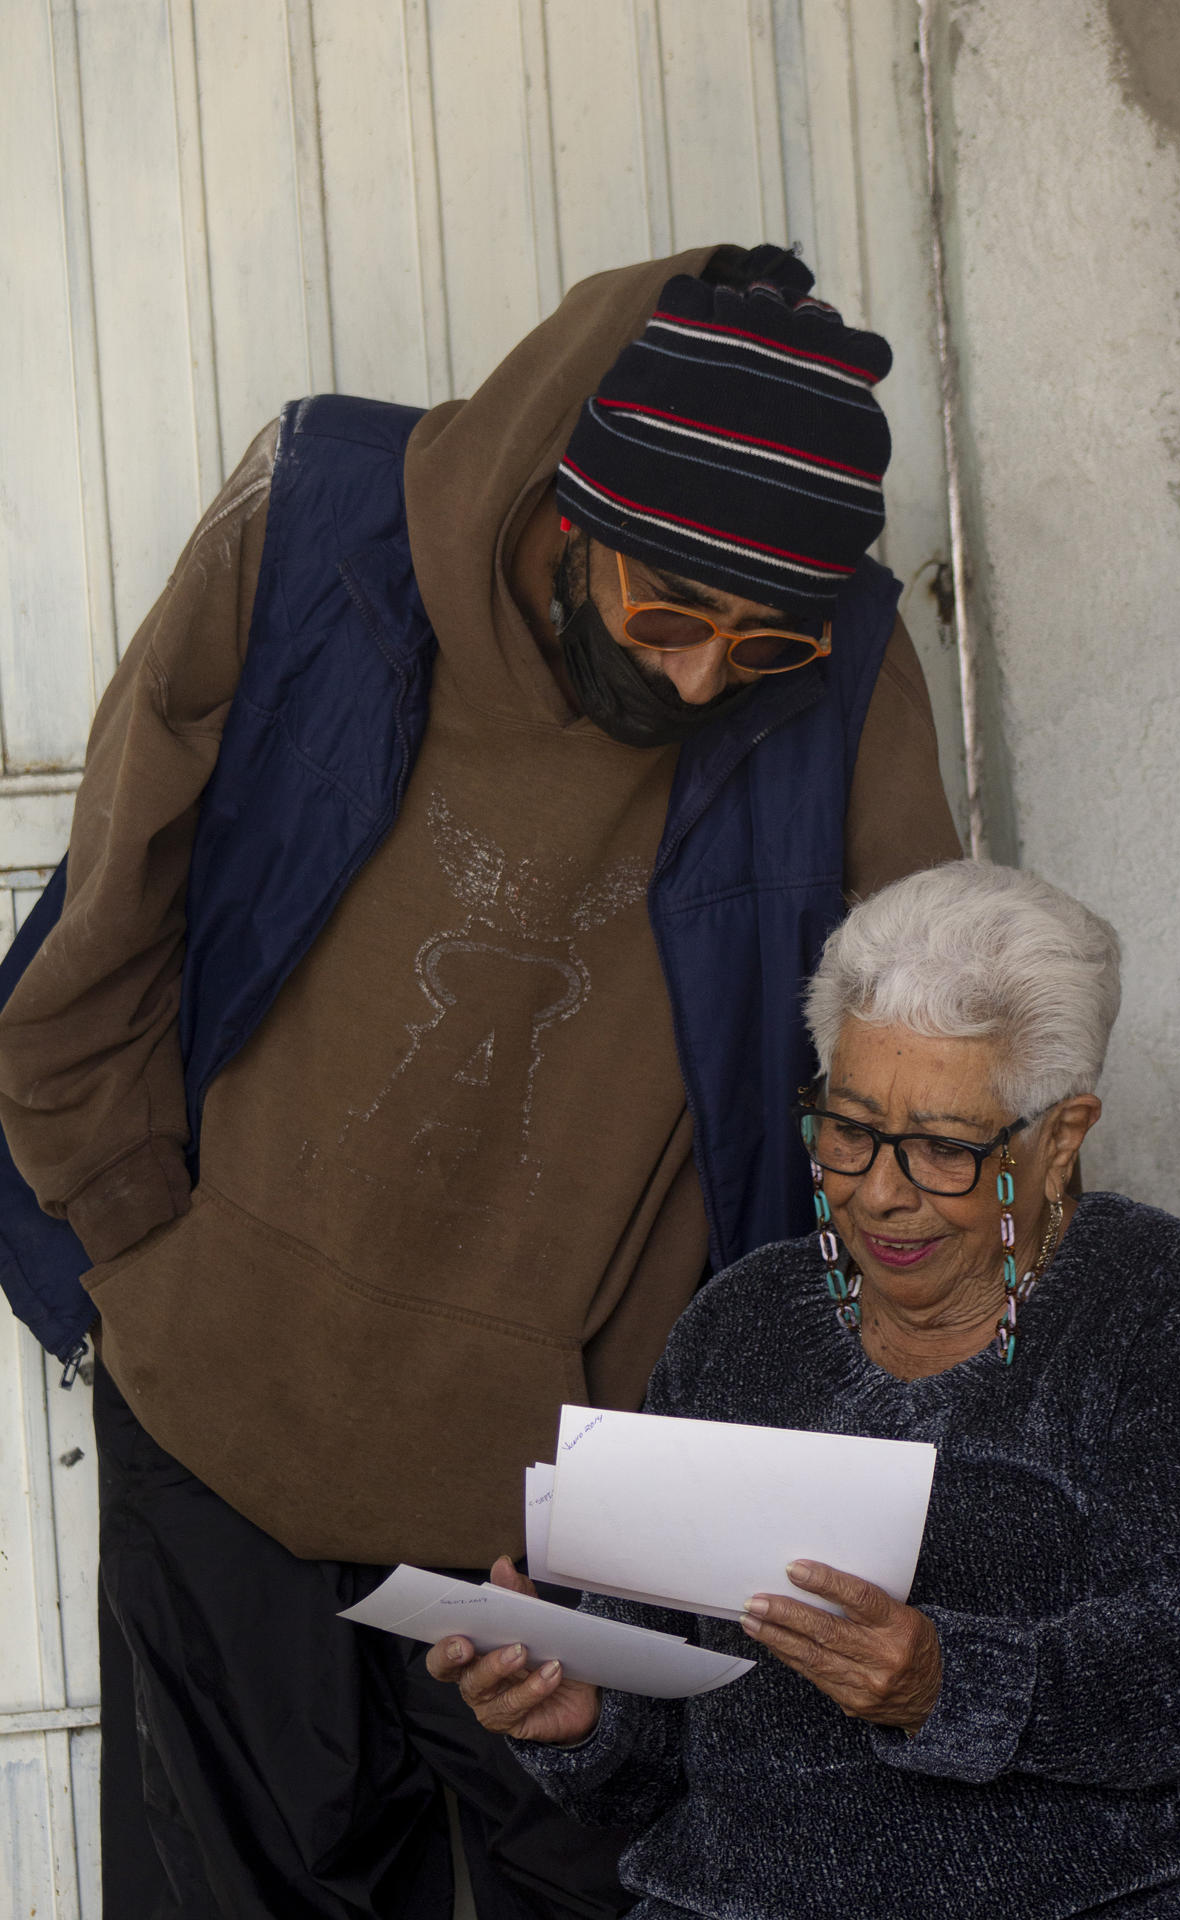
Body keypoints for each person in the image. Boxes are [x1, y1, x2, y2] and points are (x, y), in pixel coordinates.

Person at [0, 243, 960, 1917]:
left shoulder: (845, 667)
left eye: (754, 648)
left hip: (583, 1497)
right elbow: (108, 915)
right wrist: (144, 1259)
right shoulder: (316, 540)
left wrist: (827, 1429)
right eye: (665, 612)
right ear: (564, 509)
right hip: (225, 1410)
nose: (693, 680)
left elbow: (911, 1072)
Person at [433, 860, 1180, 1920]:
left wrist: (948, 1684)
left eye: (943, 1148)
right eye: (847, 1129)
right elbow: (652, 1757)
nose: (880, 1193)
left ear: (1059, 1139)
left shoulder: (1165, 1312)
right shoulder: (742, 1323)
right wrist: (579, 1717)